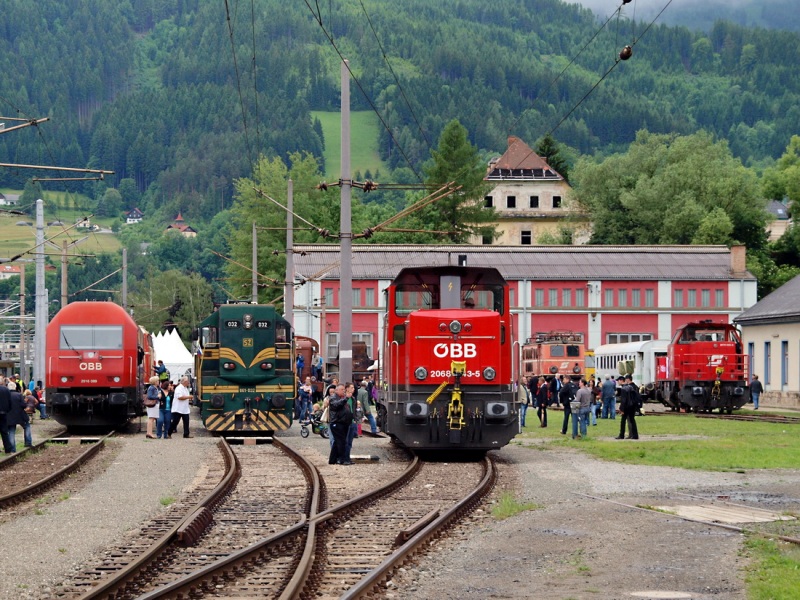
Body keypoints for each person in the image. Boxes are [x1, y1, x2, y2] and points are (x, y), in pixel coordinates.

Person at [327, 383, 352, 465]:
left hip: (343, 423)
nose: (344, 391)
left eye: (344, 390)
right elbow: (336, 405)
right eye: (342, 390)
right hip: (337, 422)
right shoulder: (333, 398)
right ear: (336, 390)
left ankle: (332, 459)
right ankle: (341, 459)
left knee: (337, 442)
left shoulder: (342, 398)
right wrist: (346, 398)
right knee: (340, 442)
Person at [6, 385, 32, 452]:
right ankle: (28, 443)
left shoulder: (6, 395)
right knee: (27, 426)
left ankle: (12, 449)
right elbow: (23, 405)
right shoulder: (19, 395)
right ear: (15, 387)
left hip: (9, 416)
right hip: (20, 415)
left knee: (11, 432)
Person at [616, 375, 640, 440]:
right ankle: (635, 435)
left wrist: (621, 409)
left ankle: (621, 435)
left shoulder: (624, 388)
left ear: (621, 380)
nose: (618, 382)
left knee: (623, 421)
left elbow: (623, 400)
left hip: (626, 407)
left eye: (618, 381)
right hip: (632, 406)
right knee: (632, 420)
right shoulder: (630, 387)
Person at [0, 383, 12, 453]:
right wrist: (7, 410)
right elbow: (10, 401)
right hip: (3, 413)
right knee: (4, 431)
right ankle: (8, 448)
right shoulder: (6, 389)